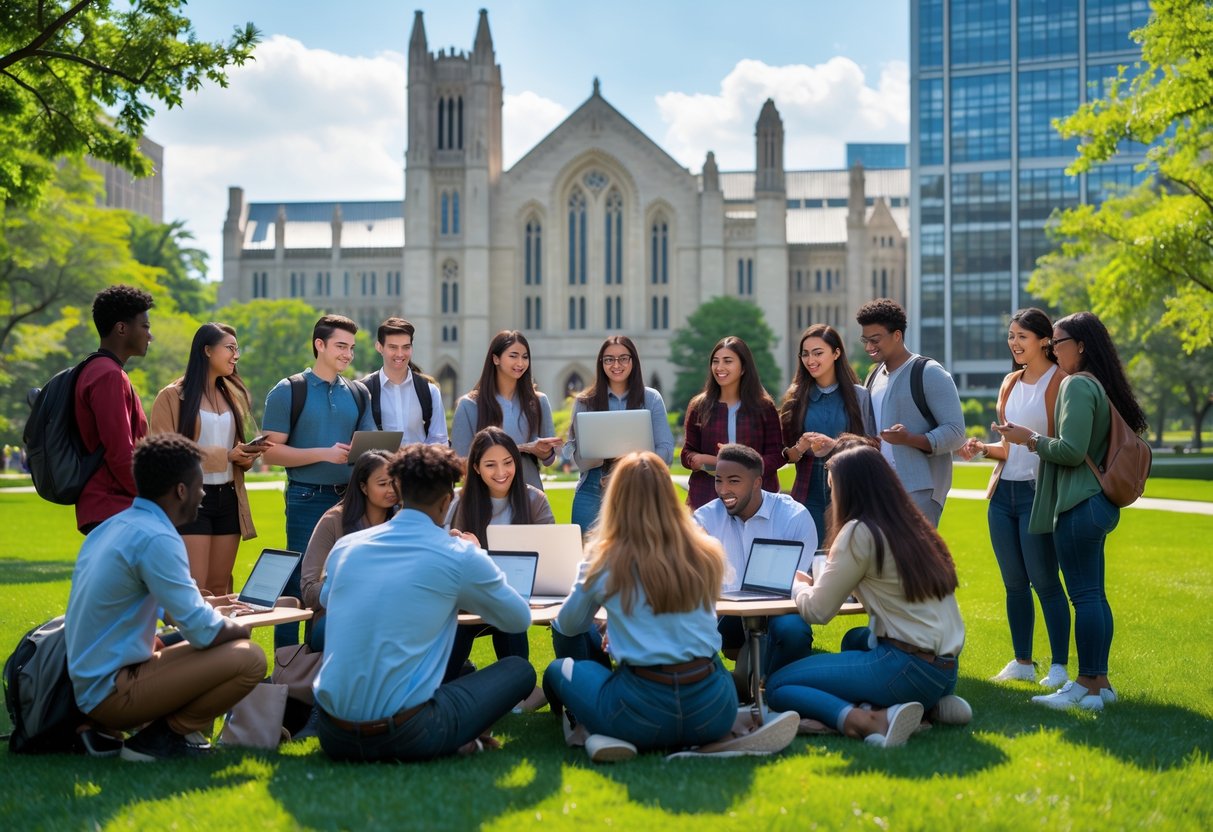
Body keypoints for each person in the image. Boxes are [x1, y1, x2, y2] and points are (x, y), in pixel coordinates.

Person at [545, 451, 799, 762]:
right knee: (706, 662)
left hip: (638, 713)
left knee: (559, 671)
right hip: (713, 708)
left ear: (615, 499)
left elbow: (569, 625)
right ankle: (728, 729)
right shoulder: (706, 550)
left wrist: (610, 618)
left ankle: (589, 729)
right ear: (669, 496)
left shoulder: (604, 558)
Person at [314, 444, 535, 762]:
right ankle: (456, 736)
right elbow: (518, 620)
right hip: (410, 734)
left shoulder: (347, 547)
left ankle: (454, 731)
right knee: (519, 670)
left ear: (398, 489)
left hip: (333, 734)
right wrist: (478, 557)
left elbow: (327, 598)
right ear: (448, 501)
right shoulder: (457, 554)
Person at [64, 434, 266, 761]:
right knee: (249, 657)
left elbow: (168, 609)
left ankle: (154, 733)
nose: (203, 494)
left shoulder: (115, 526)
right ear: (181, 490)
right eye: (200, 485)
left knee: (217, 643)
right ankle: (162, 739)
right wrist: (239, 625)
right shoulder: (157, 536)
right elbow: (203, 632)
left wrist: (219, 607)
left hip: (92, 684)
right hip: (112, 692)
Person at [765, 445, 968, 748]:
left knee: (778, 685)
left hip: (906, 667)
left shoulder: (860, 531)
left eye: (834, 488)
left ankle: (864, 720)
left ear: (849, 489)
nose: (833, 498)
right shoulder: (913, 526)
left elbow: (818, 612)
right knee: (855, 639)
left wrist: (796, 584)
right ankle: (929, 706)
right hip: (945, 668)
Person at [997, 312, 1147, 711]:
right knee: (1093, 596)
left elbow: (1070, 450)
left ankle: (1086, 686)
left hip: (1080, 505)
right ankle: (1099, 684)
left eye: (1058, 342)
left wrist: (1029, 440)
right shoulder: (1096, 384)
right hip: (1095, 503)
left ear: (1079, 346)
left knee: (1085, 597)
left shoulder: (1078, 385)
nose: (1053, 348)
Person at [959, 308, 1070, 690]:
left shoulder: (1062, 382)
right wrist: (982, 450)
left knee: (1045, 582)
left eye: (1022, 336)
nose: (1015, 343)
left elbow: (1059, 443)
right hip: (1003, 493)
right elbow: (1010, 447)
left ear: (1044, 340)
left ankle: (1058, 667)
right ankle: (1023, 661)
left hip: (1038, 493)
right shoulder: (1010, 383)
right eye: (1011, 336)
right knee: (1014, 583)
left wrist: (1028, 440)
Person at [261, 314, 376, 648]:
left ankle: (322, 657)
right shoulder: (289, 391)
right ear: (319, 345)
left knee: (347, 581)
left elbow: (368, 444)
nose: (348, 354)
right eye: (341, 346)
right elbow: (269, 453)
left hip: (352, 501)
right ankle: (286, 664)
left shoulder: (358, 392)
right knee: (298, 582)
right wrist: (323, 454)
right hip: (306, 498)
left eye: (352, 348)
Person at [150, 323, 269, 596]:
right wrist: (225, 455)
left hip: (229, 498)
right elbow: (164, 454)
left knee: (220, 586)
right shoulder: (171, 396)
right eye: (230, 348)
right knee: (195, 588)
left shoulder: (234, 396)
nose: (236, 355)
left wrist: (246, 454)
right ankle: (191, 639)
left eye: (237, 349)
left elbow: (237, 448)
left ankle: (222, 640)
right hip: (191, 500)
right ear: (206, 350)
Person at [445, 427, 553, 710]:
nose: (501, 472)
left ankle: (521, 691)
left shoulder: (534, 500)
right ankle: (455, 684)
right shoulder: (458, 502)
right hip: (469, 602)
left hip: (517, 598)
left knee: (509, 612)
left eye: (508, 462)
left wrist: (482, 555)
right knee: (451, 652)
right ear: (476, 469)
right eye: (490, 465)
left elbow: (552, 556)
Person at [693, 444, 817, 683]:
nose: (723, 490)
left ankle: (773, 687)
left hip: (781, 610)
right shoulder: (705, 518)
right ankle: (740, 682)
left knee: (793, 631)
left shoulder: (794, 516)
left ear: (757, 482)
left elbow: (797, 582)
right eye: (719, 481)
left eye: (734, 481)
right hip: (726, 613)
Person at [856, 298, 966, 527]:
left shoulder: (928, 372)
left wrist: (910, 439)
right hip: (877, 488)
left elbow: (956, 433)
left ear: (897, 335)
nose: (868, 347)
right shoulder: (873, 376)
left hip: (919, 491)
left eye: (875, 340)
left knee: (915, 562)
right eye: (865, 340)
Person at [565, 336, 675, 531]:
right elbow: (571, 451)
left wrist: (630, 464)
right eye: (609, 359)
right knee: (588, 555)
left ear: (633, 361)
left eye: (623, 358)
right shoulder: (584, 401)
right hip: (593, 487)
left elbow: (665, 450)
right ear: (601, 363)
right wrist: (591, 456)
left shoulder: (651, 398)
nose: (616, 365)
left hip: (641, 486)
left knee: (641, 555)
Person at [779, 324, 876, 540]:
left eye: (818, 353)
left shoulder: (859, 396)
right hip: (807, 493)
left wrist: (836, 445)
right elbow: (783, 455)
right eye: (805, 354)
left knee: (845, 560)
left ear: (836, 353)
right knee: (809, 561)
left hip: (850, 491)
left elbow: (874, 446)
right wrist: (800, 447)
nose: (810, 360)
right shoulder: (795, 400)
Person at [74, 285, 154, 535]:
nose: (150, 336)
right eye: (145, 326)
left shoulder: (97, 369)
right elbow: (120, 452)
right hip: (113, 506)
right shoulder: (108, 375)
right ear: (121, 328)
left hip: (109, 506)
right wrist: (152, 499)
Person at [300, 449, 398, 651]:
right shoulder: (334, 521)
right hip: (334, 618)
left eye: (395, 482)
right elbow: (308, 591)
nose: (391, 490)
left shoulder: (402, 522)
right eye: (382, 484)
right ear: (363, 487)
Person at [680, 336, 783, 510]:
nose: (719, 367)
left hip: (755, 498)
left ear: (743, 368)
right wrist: (703, 460)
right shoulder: (699, 406)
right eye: (715, 361)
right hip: (708, 498)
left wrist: (742, 465)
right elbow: (687, 453)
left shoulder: (763, 407)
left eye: (728, 361)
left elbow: (777, 455)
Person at [452, 331, 560, 491]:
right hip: (485, 496)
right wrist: (523, 448)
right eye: (513, 356)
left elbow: (550, 460)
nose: (520, 363)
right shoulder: (469, 405)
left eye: (525, 357)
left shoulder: (539, 401)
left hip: (529, 493)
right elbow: (461, 463)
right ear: (496, 359)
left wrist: (544, 452)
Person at [360, 317, 448, 446]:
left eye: (406, 347)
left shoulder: (429, 391)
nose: (400, 354)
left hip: (419, 464)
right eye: (393, 347)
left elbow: (439, 440)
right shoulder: (363, 390)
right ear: (379, 347)